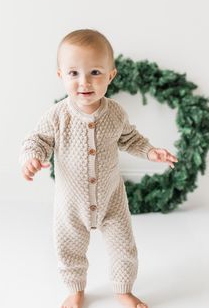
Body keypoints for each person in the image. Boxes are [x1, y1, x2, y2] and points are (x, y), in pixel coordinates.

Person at [19, 29, 178, 308]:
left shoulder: (115, 113)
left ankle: (123, 290)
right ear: (60, 76)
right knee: (69, 249)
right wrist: (32, 157)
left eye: (94, 72)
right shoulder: (57, 116)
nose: (84, 82)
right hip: (70, 204)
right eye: (74, 73)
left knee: (123, 249)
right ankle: (75, 289)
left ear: (110, 75)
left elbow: (129, 138)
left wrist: (151, 151)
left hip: (111, 200)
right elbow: (38, 139)